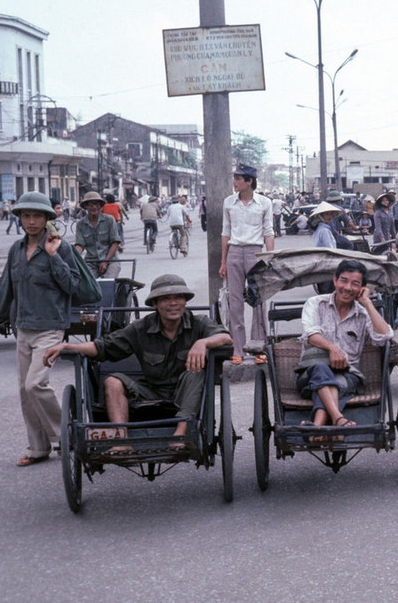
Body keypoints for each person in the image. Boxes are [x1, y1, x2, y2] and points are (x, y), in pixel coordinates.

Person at [42, 275, 232, 454]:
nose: (173, 303)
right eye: (166, 299)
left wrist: (203, 343)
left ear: (185, 301)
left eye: (178, 297)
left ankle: (181, 434)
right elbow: (104, 347)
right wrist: (68, 345)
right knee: (112, 381)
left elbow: (225, 337)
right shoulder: (141, 328)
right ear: (155, 304)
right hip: (152, 390)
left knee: (197, 369)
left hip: (187, 392)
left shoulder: (199, 323)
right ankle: (121, 441)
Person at [0, 192, 84, 467]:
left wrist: (52, 256)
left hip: (50, 327)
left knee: (35, 384)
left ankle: (66, 435)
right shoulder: (16, 249)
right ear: (20, 218)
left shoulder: (60, 248)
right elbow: (5, 289)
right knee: (25, 392)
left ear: (47, 218)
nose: (31, 221)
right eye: (26, 215)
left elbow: (73, 285)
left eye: (37, 215)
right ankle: (38, 448)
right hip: (22, 328)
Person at [296, 259, 393, 437]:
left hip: (348, 376)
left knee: (331, 382)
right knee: (320, 369)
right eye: (344, 280)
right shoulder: (316, 303)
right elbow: (311, 333)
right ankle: (339, 420)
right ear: (335, 280)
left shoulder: (363, 314)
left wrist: (368, 303)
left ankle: (317, 427)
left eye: (355, 284)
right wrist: (333, 348)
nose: (348, 287)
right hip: (309, 375)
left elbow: (384, 337)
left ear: (362, 288)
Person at [220, 164, 276, 365]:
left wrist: (269, 259)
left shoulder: (264, 203)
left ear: (249, 181)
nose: (234, 182)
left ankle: (258, 347)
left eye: (238, 178)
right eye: (234, 178)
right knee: (234, 303)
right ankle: (238, 348)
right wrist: (223, 261)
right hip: (234, 252)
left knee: (259, 301)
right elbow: (225, 232)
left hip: (256, 253)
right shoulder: (229, 203)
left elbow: (268, 231)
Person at [73, 190, 122, 278]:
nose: (94, 207)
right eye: (90, 204)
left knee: (108, 284)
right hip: (91, 262)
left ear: (100, 206)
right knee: (87, 284)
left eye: (96, 204)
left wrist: (106, 261)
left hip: (111, 260)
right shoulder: (81, 224)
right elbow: (80, 245)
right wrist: (74, 255)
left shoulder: (109, 220)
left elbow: (115, 242)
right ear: (85, 206)